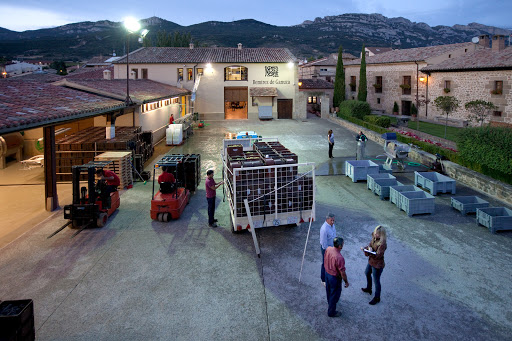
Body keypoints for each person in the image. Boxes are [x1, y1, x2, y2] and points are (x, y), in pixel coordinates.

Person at [361, 225, 388, 305]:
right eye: (375, 233)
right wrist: (366, 248)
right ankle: (369, 288)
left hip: (377, 265)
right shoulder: (374, 237)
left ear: (382, 235)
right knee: (367, 273)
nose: (375, 235)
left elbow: (377, 255)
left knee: (376, 281)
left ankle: (377, 297)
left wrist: (369, 251)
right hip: (371, 261)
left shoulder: (382, 244)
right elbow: (370, 245)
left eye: (378, 234)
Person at [324, 237, 349, 317]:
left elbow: (324, 258)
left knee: (328, 290)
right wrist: (346, 281)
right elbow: (342, 272)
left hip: (327, 274)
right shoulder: (339, 257)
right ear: (340, 246)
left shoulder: (328, 249)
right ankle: (331, 312)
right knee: (334, 294)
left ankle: (330, 303)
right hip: (334, 278)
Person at [320, 213, 336, 286]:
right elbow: (324, 244)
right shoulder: (324, 229)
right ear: (327, 220)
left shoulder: (332, 226)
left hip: (333, 248)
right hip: (326, 250)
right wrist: (329, 252)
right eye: (331, 220)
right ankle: (323, 280)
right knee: (325, 264)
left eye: (333, 220)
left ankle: (330, 277)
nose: (332, 222)